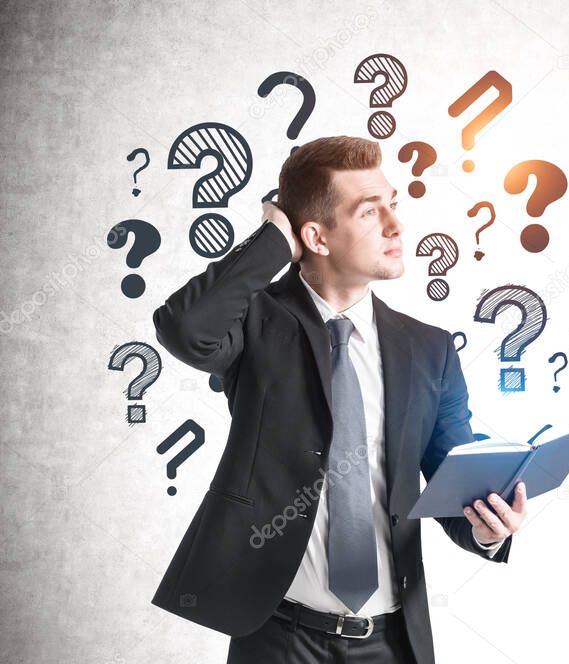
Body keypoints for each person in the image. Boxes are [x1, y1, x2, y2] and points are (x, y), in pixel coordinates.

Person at [150, 135, 528, 663]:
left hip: (390, 641)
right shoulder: (257, 322)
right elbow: (187, 329)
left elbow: (452, 484)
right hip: (278, 637)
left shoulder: (429, 349)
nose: (397, 226)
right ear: (317, 237)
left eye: (393, 205)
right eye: (371, 212)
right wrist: (275, 239)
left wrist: (487, 529)